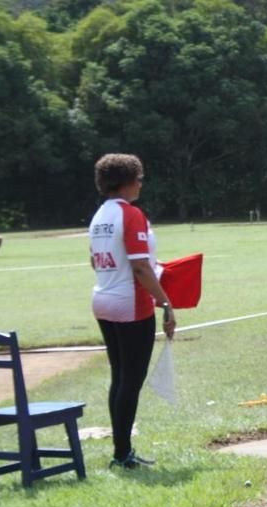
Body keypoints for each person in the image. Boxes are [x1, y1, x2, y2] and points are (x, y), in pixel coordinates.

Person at [88, 154, 176, 469]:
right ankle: (122, 454)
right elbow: (139, 266)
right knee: (132, 379)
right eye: (138, 178)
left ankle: (120, 450)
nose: (140, 183)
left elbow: (94, 261)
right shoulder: (131, 214)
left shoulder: (99, 215)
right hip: (130, 302)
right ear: (126, 181)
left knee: (119, 376)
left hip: (103, 297)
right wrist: (165, 302)